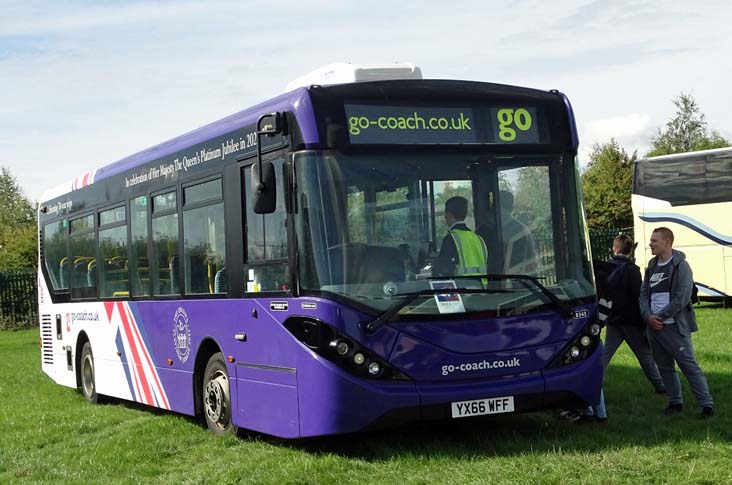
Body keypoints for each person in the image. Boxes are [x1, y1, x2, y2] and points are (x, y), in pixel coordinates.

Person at [639, 227, 714, 418]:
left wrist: (660, 317)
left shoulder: (681, 266)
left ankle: (706, 405)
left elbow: (682, 298)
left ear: (667, 242)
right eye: (651, 240)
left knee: (688, 366)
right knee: (664, 368)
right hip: (653, 327)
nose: (650, 244)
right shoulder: (652, 266)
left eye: (654, 241)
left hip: (674, 327)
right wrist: (648, 317)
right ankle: (675, 402)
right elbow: (644, 294)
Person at [432, 196, 488, 277]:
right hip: (481, 287)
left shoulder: (451, 239)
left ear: (448, 215)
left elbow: (444, 269)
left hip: (461, 286)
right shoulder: (479, 239)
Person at [497, 190, 538, 274]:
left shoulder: (484, 229)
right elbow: (532, 262)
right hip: (518, 282)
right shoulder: (523, 229)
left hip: (509, 282)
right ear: (512, 207)